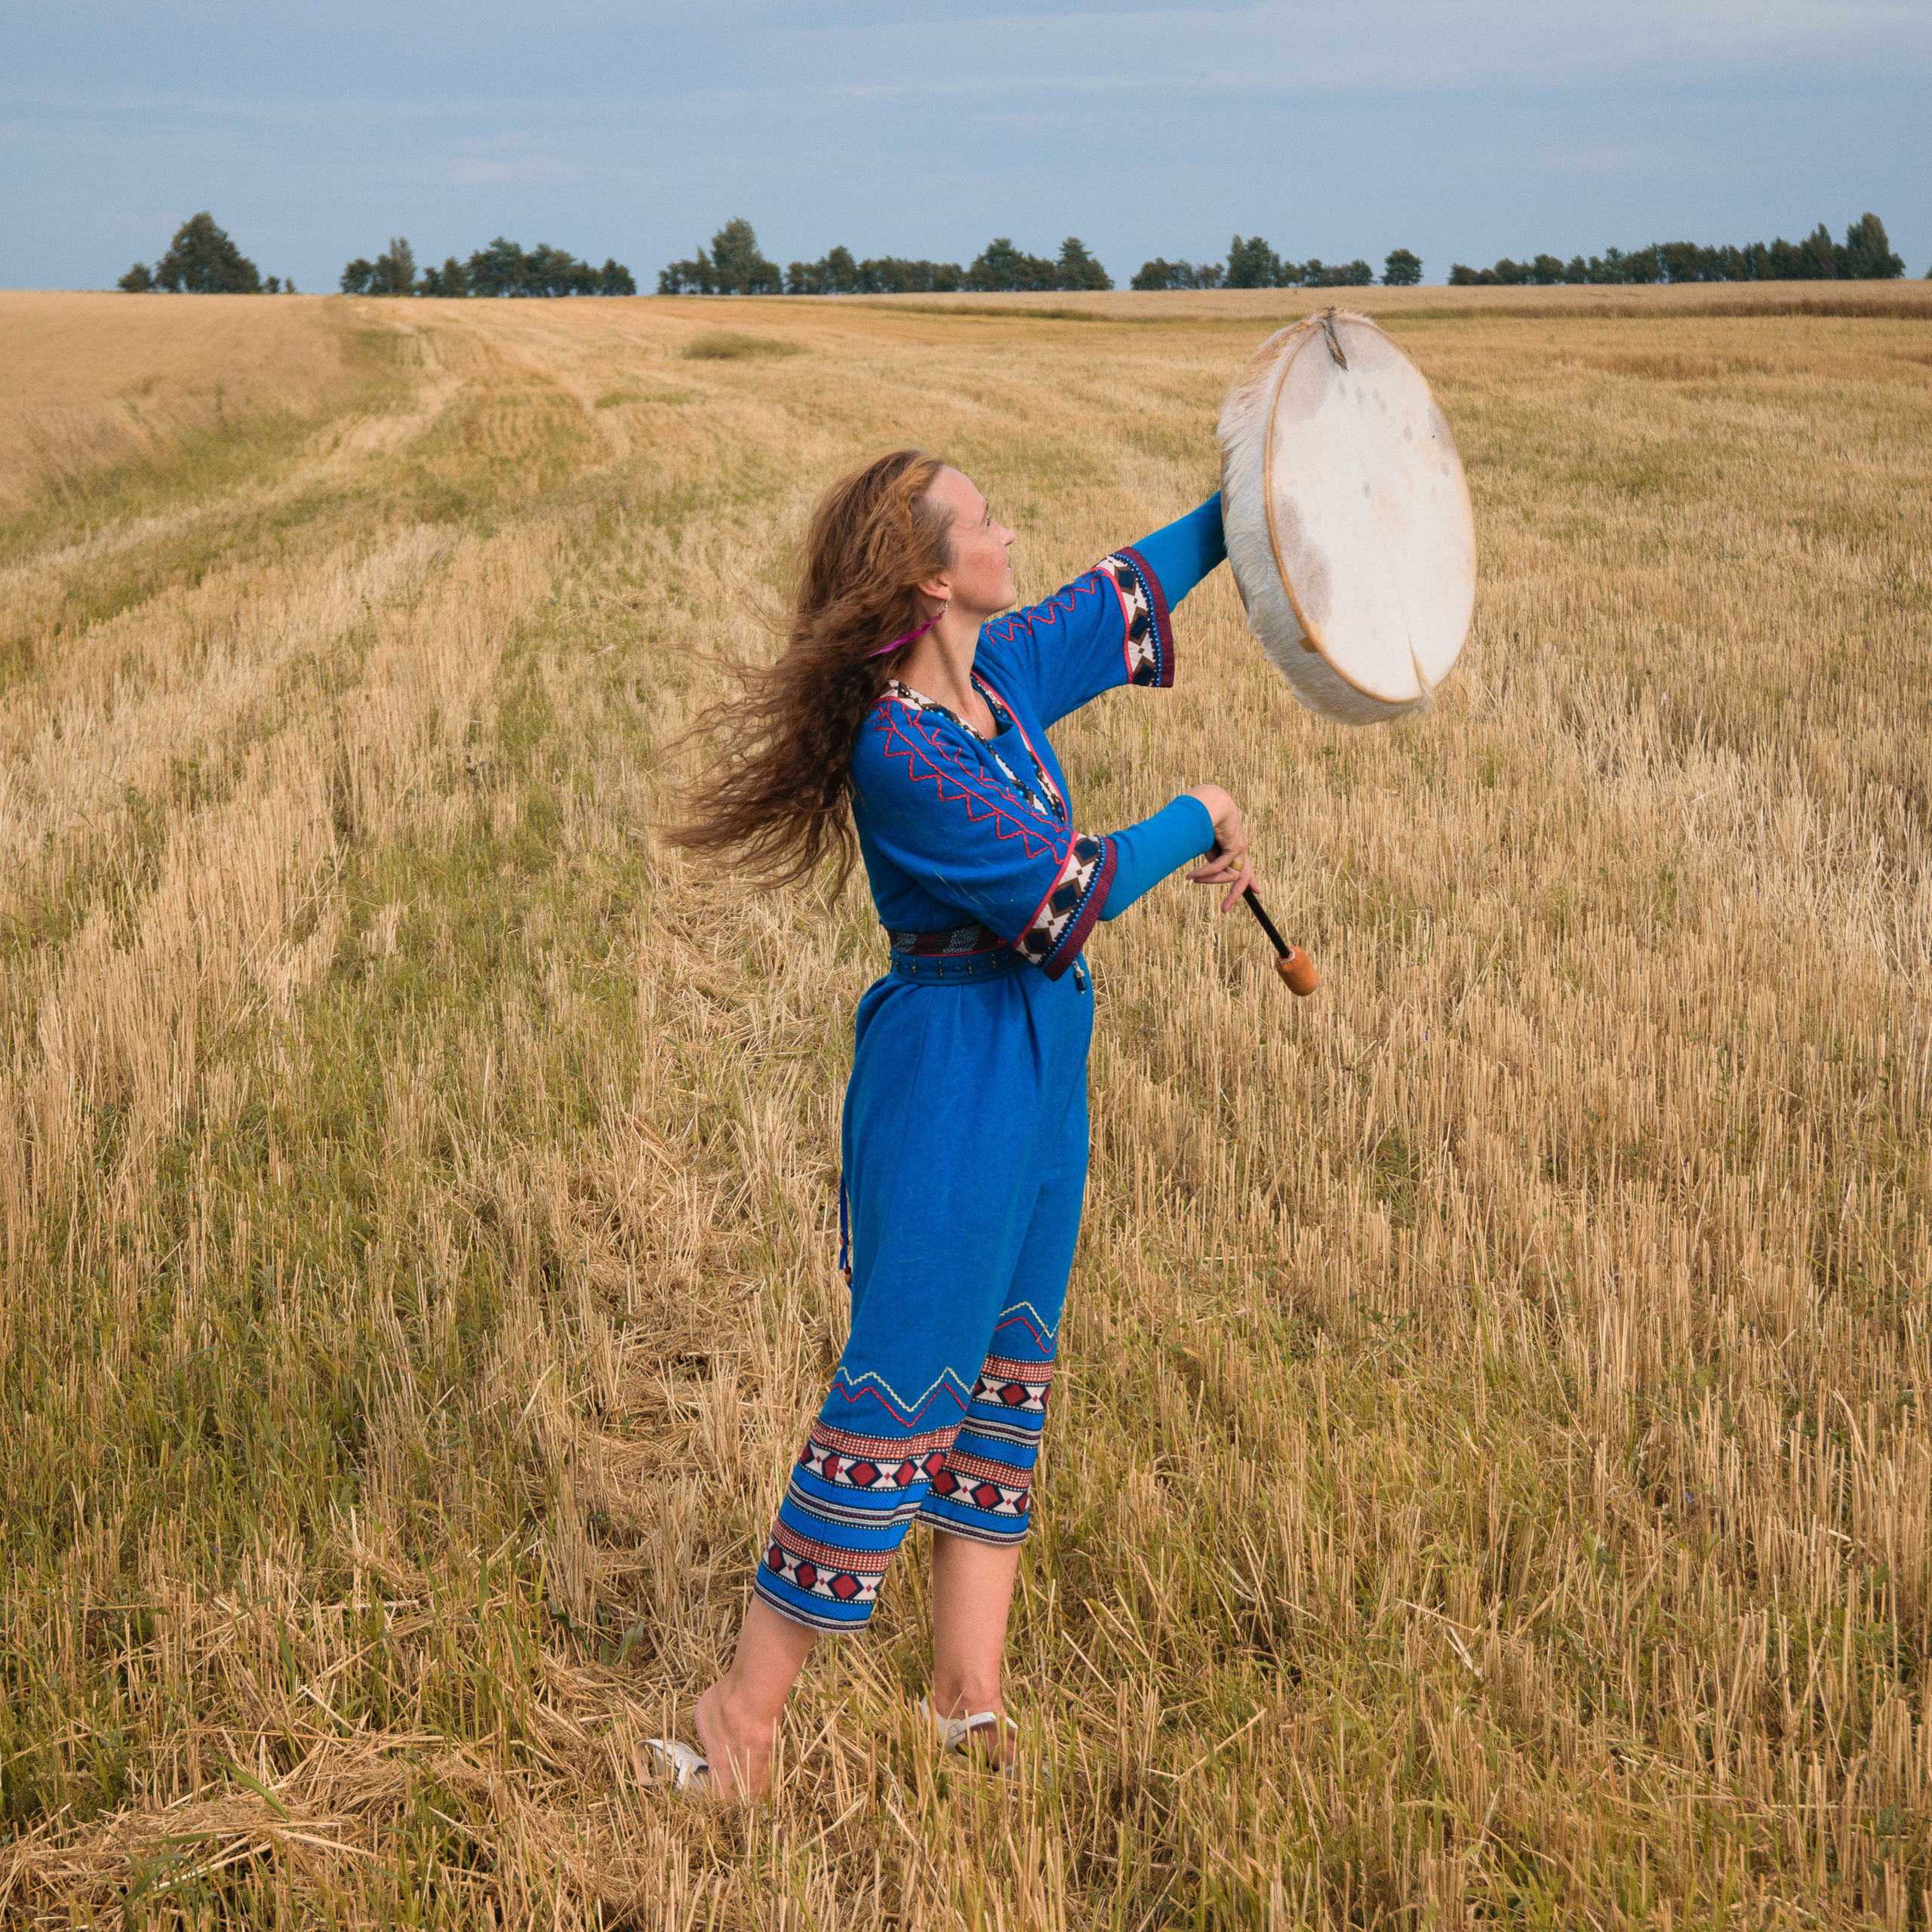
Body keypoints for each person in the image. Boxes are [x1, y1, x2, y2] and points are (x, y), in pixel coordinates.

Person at [655, 448, 1247, 1796]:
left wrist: (1247, 509)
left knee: (1008, 1377)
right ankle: (740, 1719)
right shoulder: (901, 746)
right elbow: (1064, 898)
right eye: (984, 517)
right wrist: (1197, 814)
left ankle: (965, 1698)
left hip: (1043, 1070)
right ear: (932, 574)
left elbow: (1120, 594)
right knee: (900, 1383)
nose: (1008, 525)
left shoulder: (997, 686)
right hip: (952, 1080)